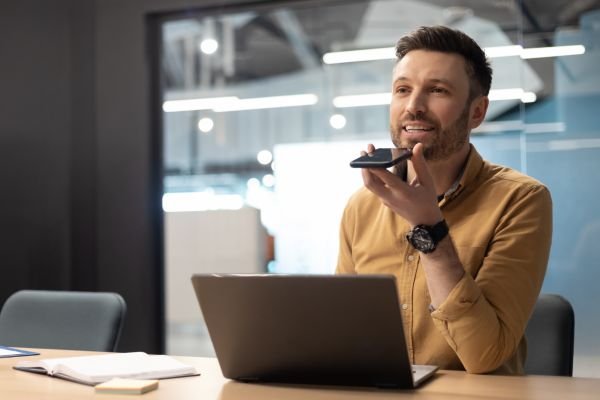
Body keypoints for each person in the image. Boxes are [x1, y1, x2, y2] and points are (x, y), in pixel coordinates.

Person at [336, 26, 552, 375]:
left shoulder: (520, 200)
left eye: (437, 90)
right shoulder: (362, 205)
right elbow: (342, 331)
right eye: (402, 90)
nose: (413, 106)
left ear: (477, 112)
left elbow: (484, 355)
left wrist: (430, 231)